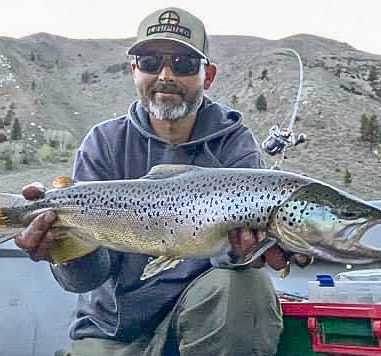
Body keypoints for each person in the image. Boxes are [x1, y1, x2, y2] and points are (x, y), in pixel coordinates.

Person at [15, 7, 310, 356]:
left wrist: (246, 252)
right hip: (114, 332)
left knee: (245, 284)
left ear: (208, 75)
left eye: (184, 64)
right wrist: (62, 254)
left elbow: (236, 262)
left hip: (205, 322)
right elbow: (87, 279)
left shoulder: (234, 144)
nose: (166, 75)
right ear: (134, 70)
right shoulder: (104, 144)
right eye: (151, 61)